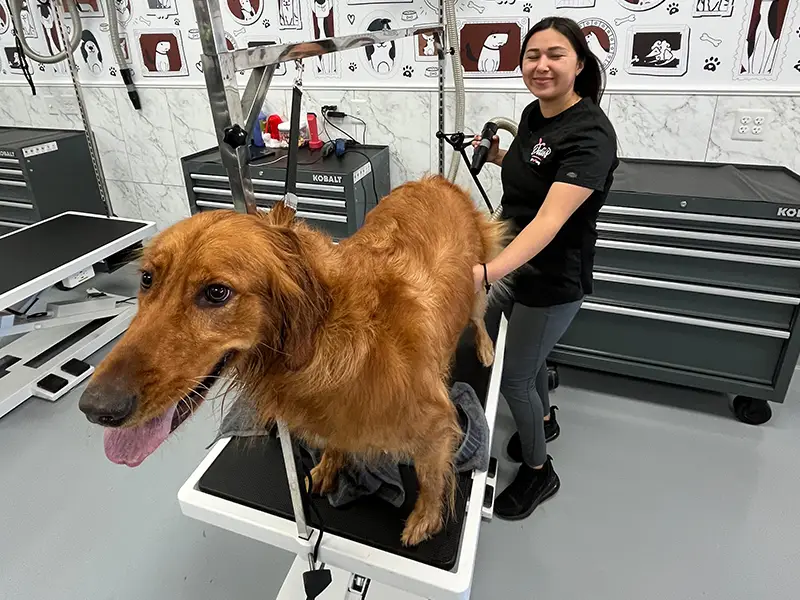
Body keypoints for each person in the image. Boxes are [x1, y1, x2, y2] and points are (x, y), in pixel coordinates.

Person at [470, 16, 619, 520]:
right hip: (515, 264)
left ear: (579, 62)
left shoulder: (591, 134)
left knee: (514, 378)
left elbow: (550, 221)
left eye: (555, 54)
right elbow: (533, 166)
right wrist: (494, 155)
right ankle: (546, 417)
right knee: (525, 361)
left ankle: (539, 471)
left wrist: (487, 273)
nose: (542, 65)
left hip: (551, 279)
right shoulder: (536, 113)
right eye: (532, 55)